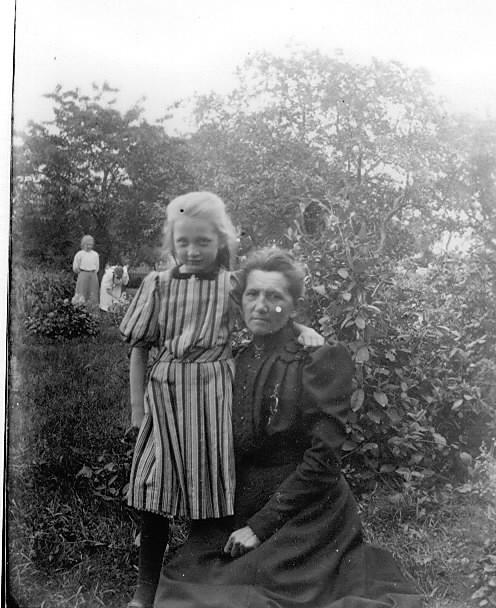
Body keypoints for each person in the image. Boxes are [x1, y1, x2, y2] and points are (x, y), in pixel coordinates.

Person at [153, 248, 423, 608]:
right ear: (240, 301)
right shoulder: (237, 360)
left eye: (275, 297)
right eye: (253, 294)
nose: (261, 306)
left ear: (293, 306)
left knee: (249, 594)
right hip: (245, 502)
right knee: (189, 579)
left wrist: (260, 527)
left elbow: (324, 460)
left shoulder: (318, 359)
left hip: (305, 509)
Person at [119, 193, 323, 608]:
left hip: (214, 396)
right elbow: (138, 349)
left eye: (204, 242)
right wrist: (138, 409)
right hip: (167, 395)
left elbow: (264, 306)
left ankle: (209, 570)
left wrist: (301, 328)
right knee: (154, 487)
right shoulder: (157, 285)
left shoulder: (230, 285)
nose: (193, 251)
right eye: (183, 242)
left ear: (221, 242)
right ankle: (145, 590)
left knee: (209, 486)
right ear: (171, 243)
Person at [72, 235, 100, 306]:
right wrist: (81, 273)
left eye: (90, 244)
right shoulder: (79, 254)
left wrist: (92, 273)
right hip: (83, 274)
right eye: (87, 244)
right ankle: (80, 308)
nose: (89, 246)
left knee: (93, 294)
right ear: (83, 244)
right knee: (81, 293)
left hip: (93, 275)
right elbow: (75, 267)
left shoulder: (95, 254)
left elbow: (97, 267)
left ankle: (92, 309)